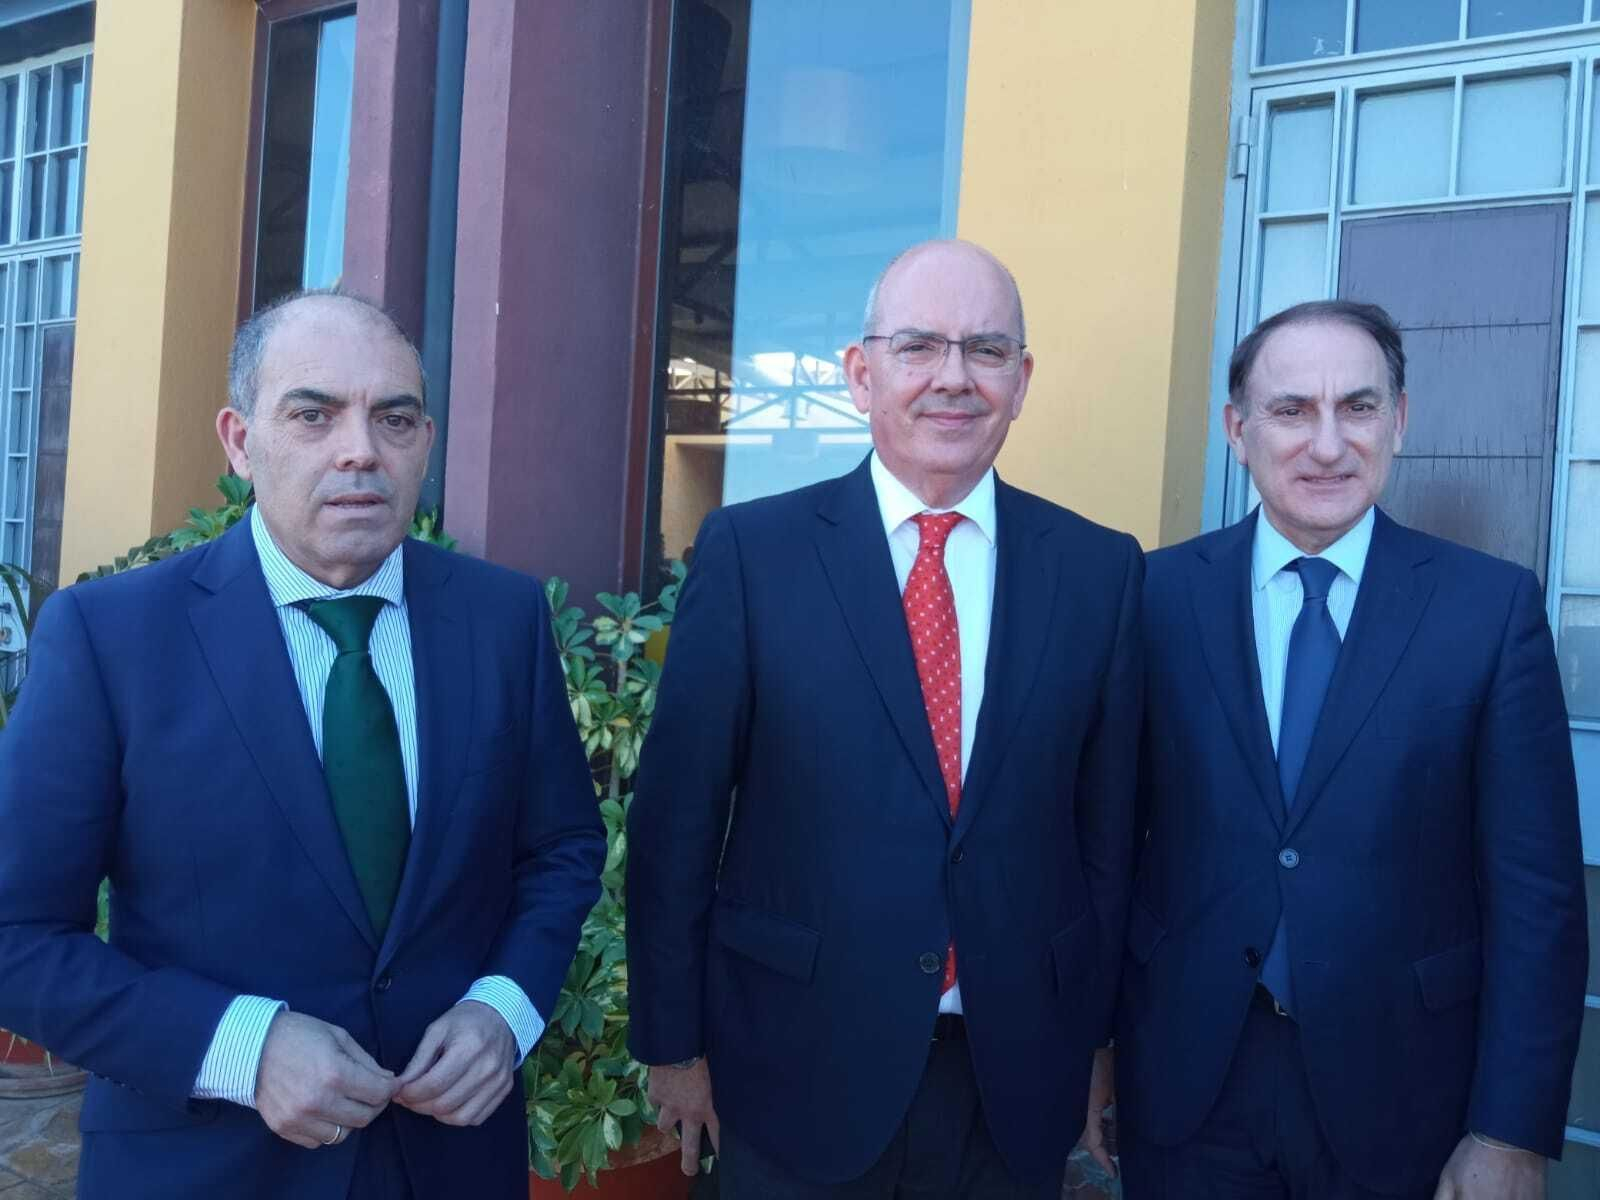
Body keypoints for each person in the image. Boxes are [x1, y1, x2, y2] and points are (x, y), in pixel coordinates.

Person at [0, 291, 606, 1199]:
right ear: (240, 442)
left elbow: (559, 848)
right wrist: (240, 1047)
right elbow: (17, 936)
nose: (360, 448)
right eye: (313, 414)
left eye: (393, 418)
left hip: (448, 1162)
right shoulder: (112, 637)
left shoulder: (501, 619)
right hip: (207, 1165)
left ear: (426, 444)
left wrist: (504, 1009)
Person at [625, 239, 1143, 1197]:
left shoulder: (1101, 571)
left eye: (986, 351)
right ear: (862, 374)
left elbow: (1104, 843)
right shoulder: (753, 555)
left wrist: (1099, 1040)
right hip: (793, 1066)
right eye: (919, 347)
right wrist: (671, 1042)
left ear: (1021, 382)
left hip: (1013, 1080)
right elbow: (676, 824)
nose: (954, 378)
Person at [1116, 299, 1588, 1200]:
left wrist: (1512, 1129)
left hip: (1407, 1096)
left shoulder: (1487, 613)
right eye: (1291, 410)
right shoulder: (1152, 596)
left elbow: (1539, 898)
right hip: (1187, 1087)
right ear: (1237, 430)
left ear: (1399, 423)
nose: (1327, 444)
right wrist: (1097, 1051)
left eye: (1358, 408)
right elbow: (1108, 847)